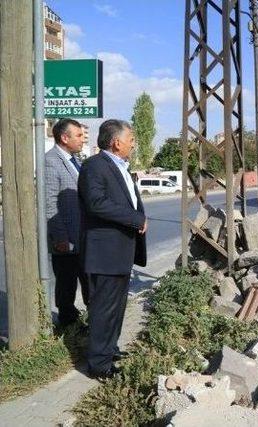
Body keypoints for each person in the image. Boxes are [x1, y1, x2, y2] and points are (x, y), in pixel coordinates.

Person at [78, 119, 148, 380]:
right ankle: (98, 366)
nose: (133, 143)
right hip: (104, 253)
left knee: (116, 308)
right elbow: (97, 203)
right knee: (103, 309)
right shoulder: (94, 166)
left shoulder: (120, 167)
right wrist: (135, 219)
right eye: (131, 138)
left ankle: (109, 350)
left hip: (120, 251)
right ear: (116, 142)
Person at [45, 118, 90, 327]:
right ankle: (68, 331)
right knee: (66, 289)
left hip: (82, 238)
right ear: (64, 138)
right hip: (66, 241)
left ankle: (89, 328)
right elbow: (49, 203)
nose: (83, 139)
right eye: (79, 135)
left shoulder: (74, 159)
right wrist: (60, 237)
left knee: (89, 284)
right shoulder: (51, 161)